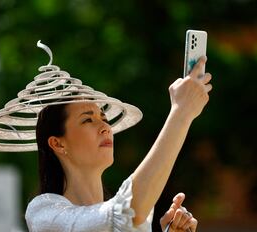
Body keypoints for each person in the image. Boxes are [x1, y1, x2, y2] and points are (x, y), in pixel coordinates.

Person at [25, 56, 212, 232]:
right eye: (87, 120)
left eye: (104, 118)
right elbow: (127, 212)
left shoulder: (119, 213)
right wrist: (181, 113)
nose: (105, 127)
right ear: (57, 143)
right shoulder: (43, 212)